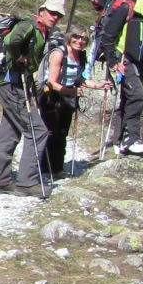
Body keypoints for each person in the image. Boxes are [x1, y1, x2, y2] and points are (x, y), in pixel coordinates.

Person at [0, 0, 63, 196]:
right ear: (42, 11)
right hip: (11, 83)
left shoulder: (40, 30)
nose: (55, 17)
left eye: (59, 15)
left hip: (12, 84)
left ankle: (0, 180)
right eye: (52, 12)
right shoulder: (29, 25)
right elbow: (11, 41)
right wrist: (19, 57)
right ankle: (27, 181)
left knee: (10, 131)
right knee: (37, 130)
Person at [99, 0, 143, 156]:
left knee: (127, 100)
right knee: (138, 96)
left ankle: (120, 141)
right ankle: (131, 138)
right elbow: (108, 35)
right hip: (125, 59)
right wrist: (112, 61)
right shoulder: (129, 8)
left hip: (139, 61)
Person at [37, 23, 109, 178]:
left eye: (84, 38)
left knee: (62, 133)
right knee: (50, 132)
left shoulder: (80, 55)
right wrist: (71, 91)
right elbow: (51, 81)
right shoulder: (59, 54)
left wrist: (98, 85)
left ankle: (56, 168)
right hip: (51, 96)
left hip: (68, 97)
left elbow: (80, 79)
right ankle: (43, 168)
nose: (80, 40)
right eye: (76, 36)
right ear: (70, 37)